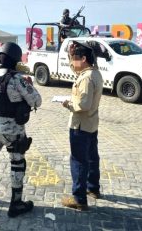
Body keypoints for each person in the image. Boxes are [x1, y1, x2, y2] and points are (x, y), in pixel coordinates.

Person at [0, 42, 42, 217]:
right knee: (17, 163)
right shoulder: (16, 78)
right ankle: (16, 203)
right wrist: (29, 85)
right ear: (15, 59)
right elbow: (36, 101)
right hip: (13, 130)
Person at [61, 40, 103, 211]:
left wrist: (67, 104)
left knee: (78, 161)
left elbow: (83, 105)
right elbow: (75, 68)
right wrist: (70, 54)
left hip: (80, 126)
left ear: (83, 58)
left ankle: (79, 199)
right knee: (92, 157)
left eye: (75, 58)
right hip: (91, 124)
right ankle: (92, 188)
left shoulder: (86, 78)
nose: (72, 62)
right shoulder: (94, 72)